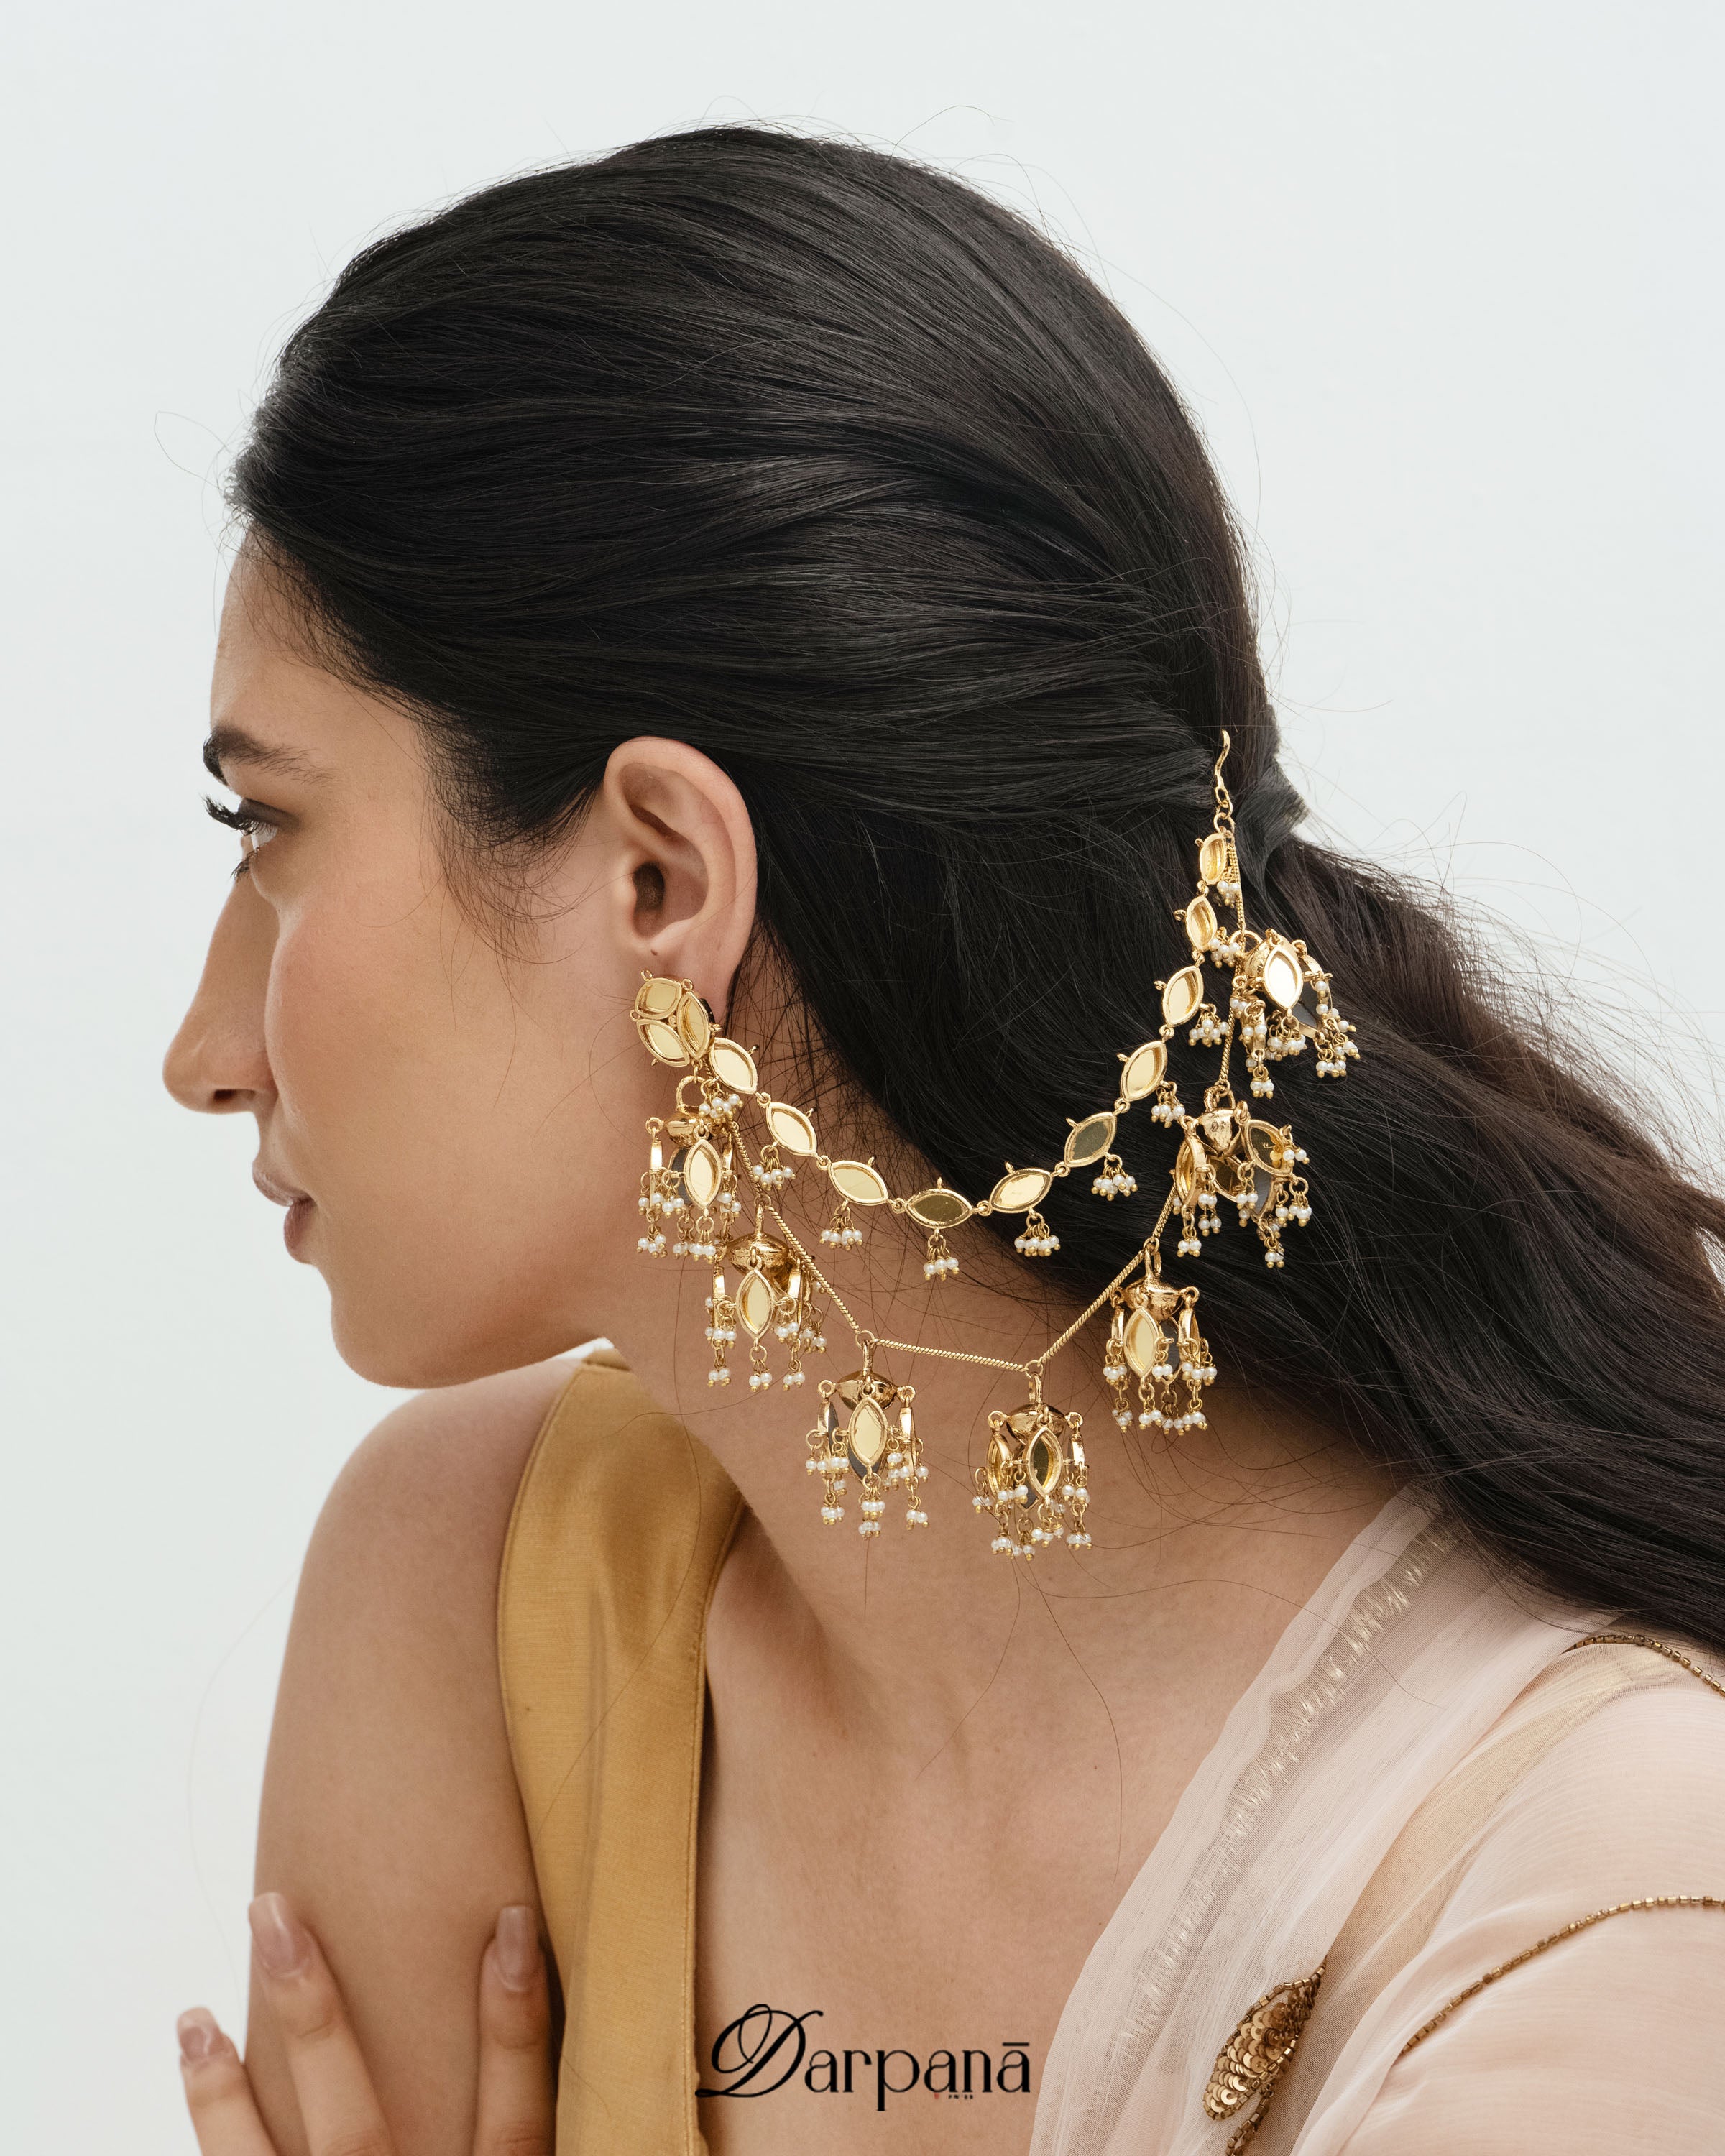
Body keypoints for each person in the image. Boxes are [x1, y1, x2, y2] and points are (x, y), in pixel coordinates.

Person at [162, 126, 1725, 2156]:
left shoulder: (1601, 1899)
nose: (205, 1052)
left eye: (270, 830)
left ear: (659, 878)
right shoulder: (480, 1593)